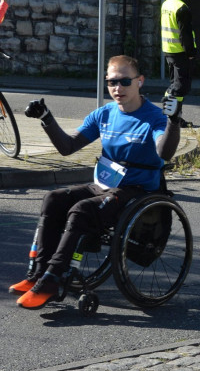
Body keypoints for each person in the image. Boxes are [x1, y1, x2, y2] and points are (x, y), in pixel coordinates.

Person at [9, 56, 181, 309]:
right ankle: (38, 273)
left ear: (140, 82)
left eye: (124, 81)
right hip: (105, 183)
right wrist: (46, 117)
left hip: (137, 190)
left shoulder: (154, 117)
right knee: (53, 199)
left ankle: (53, 279)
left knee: (82, 210)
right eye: (111, 82)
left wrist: (173, 122)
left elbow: (164, 153)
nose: (117, 88)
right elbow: (67, 147)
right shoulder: (104, 114)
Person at [160, 0, 196, 128]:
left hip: (168, 49)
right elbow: (185, 34)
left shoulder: (167, 4)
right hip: (180, 52)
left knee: (174, 85)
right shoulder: (182, 8)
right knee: (181, 87)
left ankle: (171, 116)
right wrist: (191, 52)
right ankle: (172, 118)